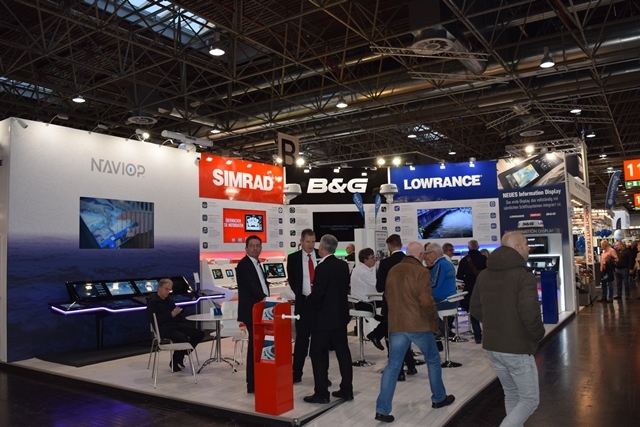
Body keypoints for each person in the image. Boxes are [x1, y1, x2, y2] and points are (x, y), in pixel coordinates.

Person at [470, 231, 545, 427]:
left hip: (493, 346)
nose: (529, 248)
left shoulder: (484, 274)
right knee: (529, 400)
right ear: (517, 247)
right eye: (526, 244)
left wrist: (494, 324)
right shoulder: (522, 275)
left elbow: (475, 308)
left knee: (512, 393)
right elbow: (530, 314)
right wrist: (538, 335)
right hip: (516, 347)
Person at [374, 242, 455, 423]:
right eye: (424, 254)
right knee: (433, 359)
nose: (425, 257)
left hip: (397, 325)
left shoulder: (393, 270)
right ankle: (439, 398)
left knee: (393, 366)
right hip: (418, 325)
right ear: (419, 255)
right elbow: (426, 301)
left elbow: (387, 296)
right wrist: (434, 321)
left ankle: (382, 409)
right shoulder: (421, 272)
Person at [304, 234, 353, 403]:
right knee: (343, 352)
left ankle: (321, 393)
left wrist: (307, 300)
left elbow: (319, 294)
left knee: (318, 353)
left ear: (322, 248)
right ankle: (347, 389)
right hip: (340, 317)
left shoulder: (322, 267)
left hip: (323, 319)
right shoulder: (343, 265)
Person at [375, 234, 417, 380]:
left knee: (393, 337)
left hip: (391, 304)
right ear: (401, 244)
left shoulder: (385, 263)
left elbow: (380, 287)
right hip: (409, 303)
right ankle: (411, 365)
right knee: (406, 334)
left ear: (389, 246)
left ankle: (398, 371)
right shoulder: (410, 261)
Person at [146, 278, 204, 372]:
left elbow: (175, 315)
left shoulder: (169, 299)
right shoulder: (153, 302)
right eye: (166, 289)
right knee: (182, 338)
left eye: (169, 290)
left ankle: (182, 354)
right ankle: (175, 360)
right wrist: (171, 315)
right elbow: (155, 320)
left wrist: (178, 312)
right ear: (159, 288)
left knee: (199, 334)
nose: (168, 292)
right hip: (164, 328)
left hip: (176, 325)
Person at [236, 235, 269, 394]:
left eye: (258, 246)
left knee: (260, 345)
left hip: (262, 308)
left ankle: (260, 378)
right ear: (246, 248)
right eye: (252, 246)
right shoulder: (243, 265)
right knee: (254, 347)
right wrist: (265, 298)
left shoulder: (257, 263)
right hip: (252, 311)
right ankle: (252, 383)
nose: (255, 248)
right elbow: (251, 286)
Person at [287, 229, 318, 383]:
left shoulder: (321, 255)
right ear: (301, 241)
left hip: (319, 305)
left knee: (319, 342)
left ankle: (321, 375)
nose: (310, 245)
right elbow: (292, 280)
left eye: (313, 242)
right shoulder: (293, 258)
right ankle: (296, 373)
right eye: (307, 242)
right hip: (304, 304)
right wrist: (302, 295)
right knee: (301, 341)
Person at [350, 248, 385, 349]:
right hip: (365, 303)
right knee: (390, 317)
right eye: (372, 257)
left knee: (389, 317)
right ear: (365, 260)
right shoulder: (363, 272)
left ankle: (376, 335)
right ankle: (375, 335)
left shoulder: (362, 269)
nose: (375, 259)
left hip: (364, 301)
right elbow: (377, 286)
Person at [456, 240, 487, 344]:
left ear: (468, 247)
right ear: (478, 247)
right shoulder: (484, 259)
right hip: (483, 288)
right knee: (486, 311)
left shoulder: (464, 260)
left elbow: (459, 276)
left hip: (470, 290)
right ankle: (488, 334)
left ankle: (477, 336)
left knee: (473, 311)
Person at [424, 242, 458, 337]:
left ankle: (440, 330)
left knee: (422, 306)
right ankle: (441, 330)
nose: (426, 256)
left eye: (427, 253)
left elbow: (435, 284)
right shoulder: (448, 263)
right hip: (451, 299)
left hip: (443, 300)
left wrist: (423, 289)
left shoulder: (440, 265)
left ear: (434, 253)